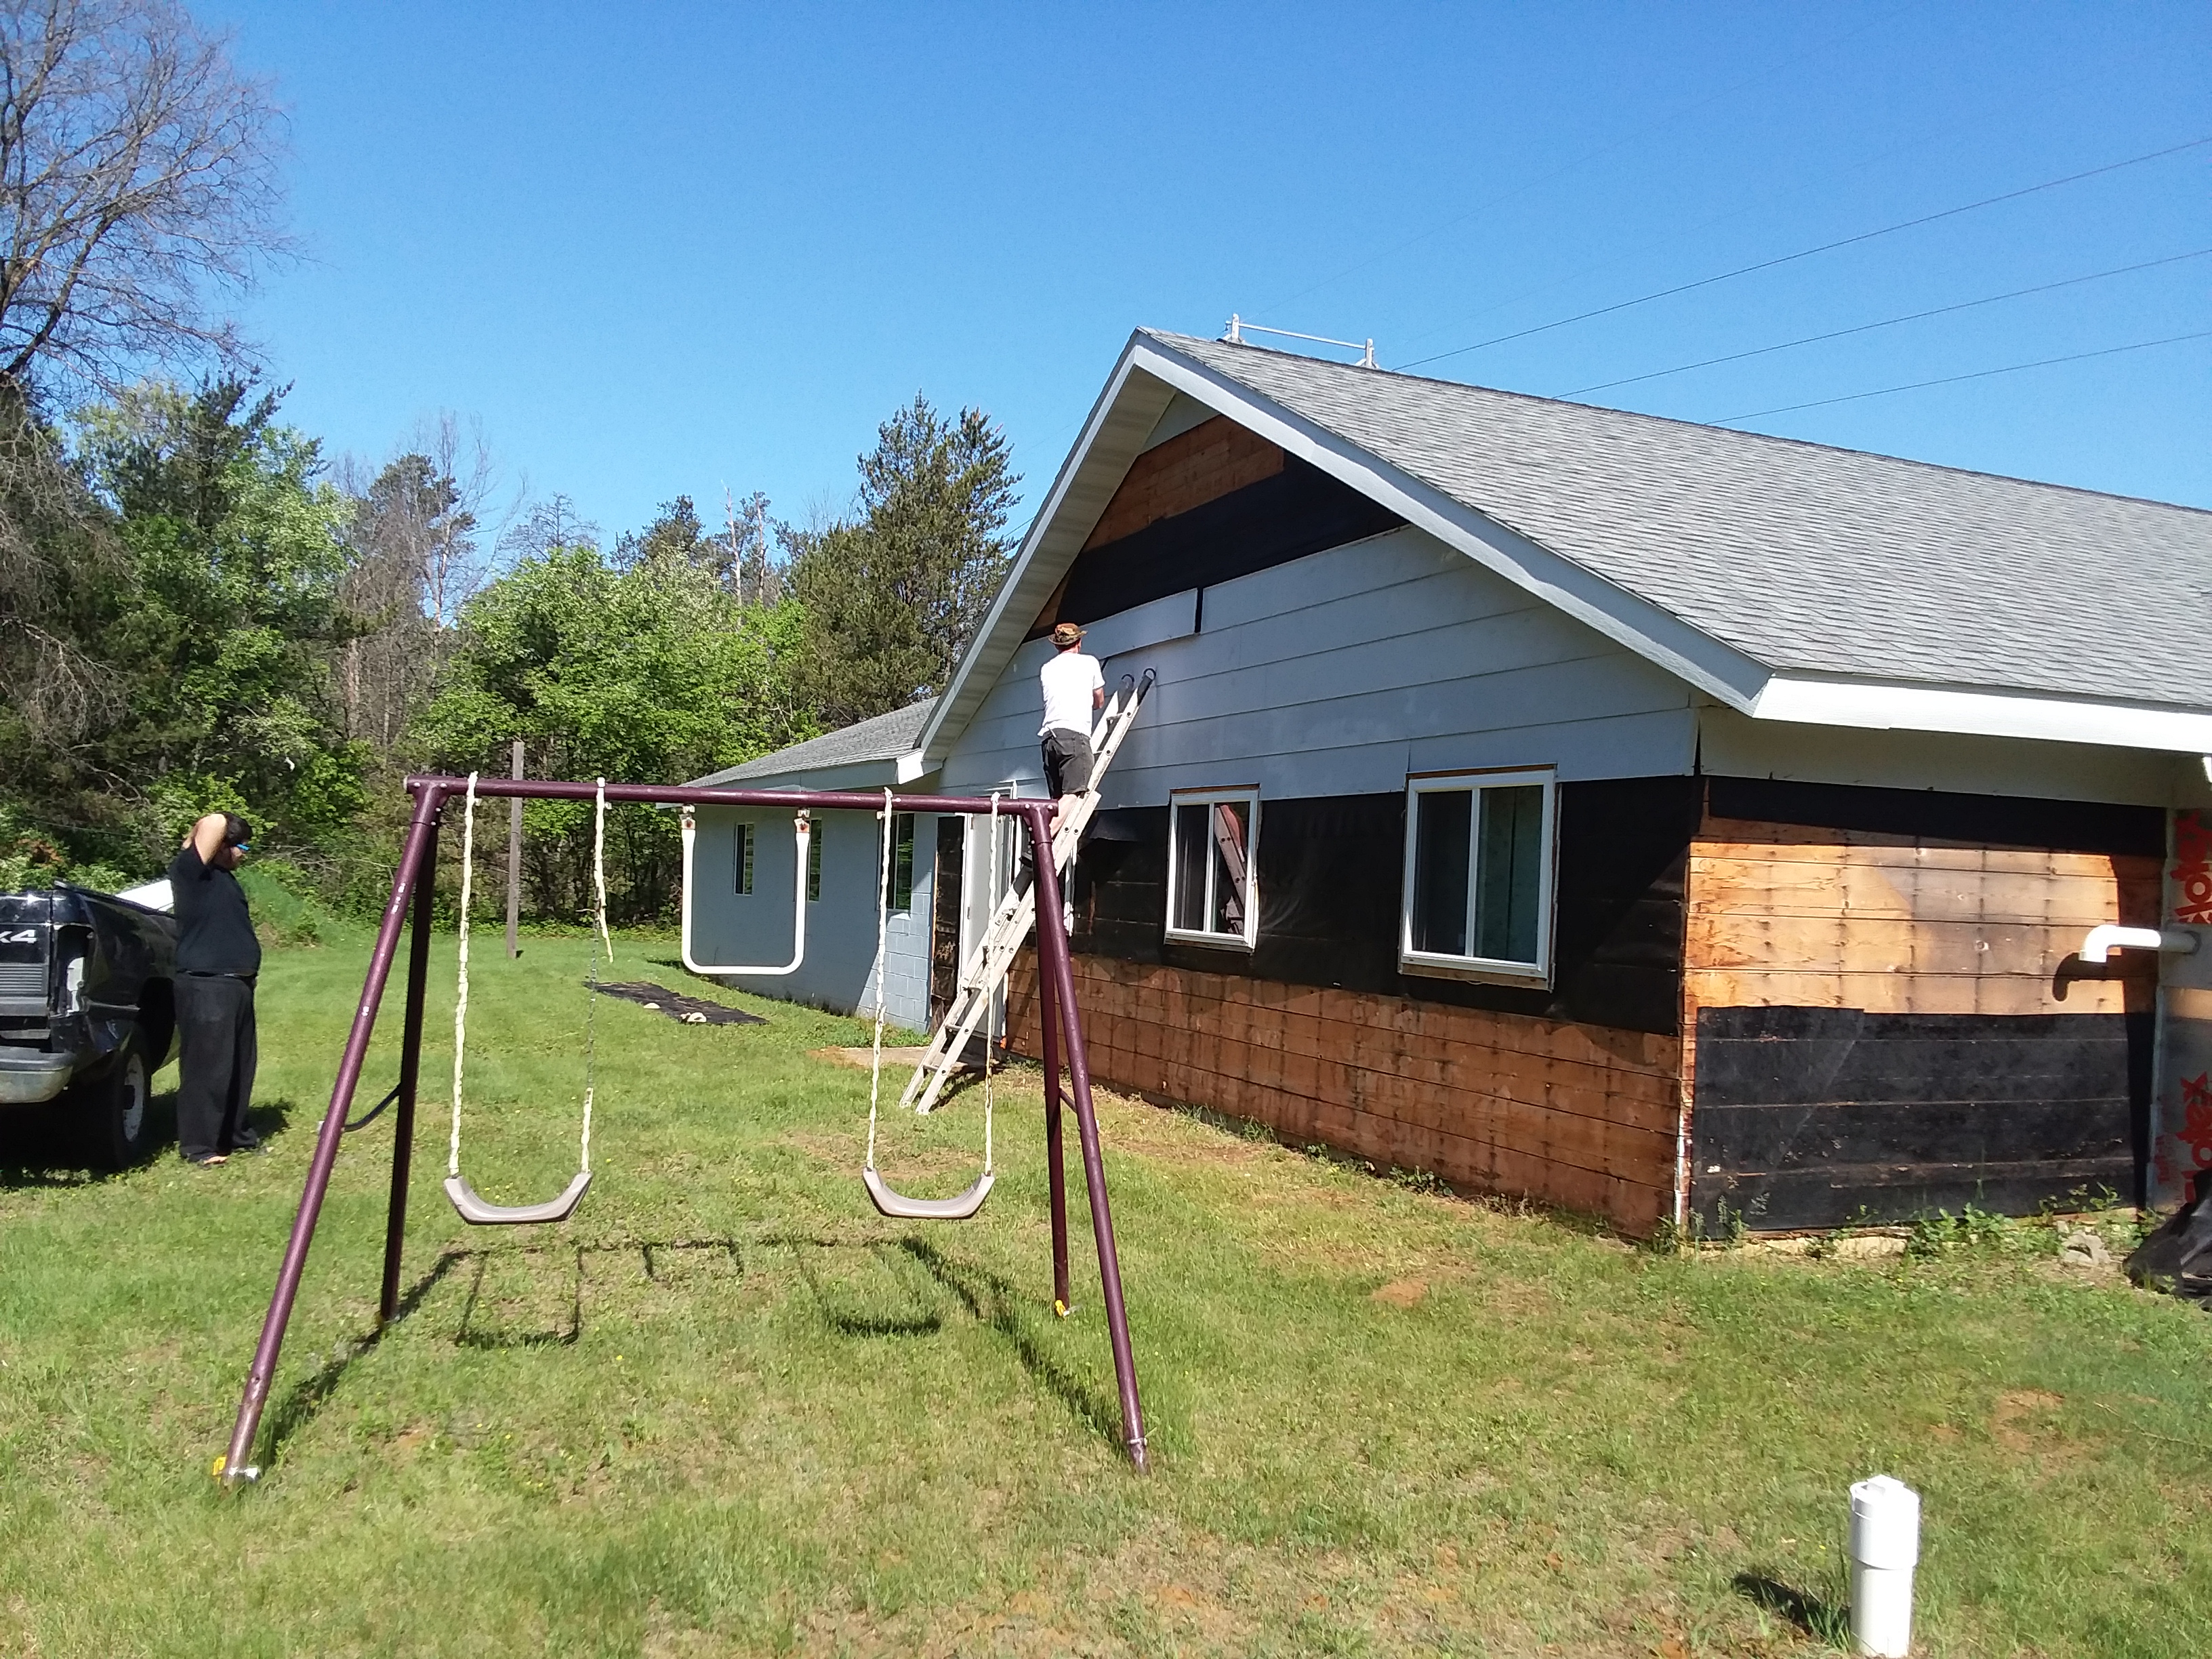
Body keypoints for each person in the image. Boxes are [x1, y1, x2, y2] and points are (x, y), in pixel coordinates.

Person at [167, 812, 261, 1166]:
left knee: (239, 1067)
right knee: (207, 1069)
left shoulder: (224, 880)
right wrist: (210, 831)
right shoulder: (192, 874)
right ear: (222, 845)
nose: (244, 855)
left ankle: (235, 1136)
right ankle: (200, 1147)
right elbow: (214, 822)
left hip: (236, 984)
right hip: (206, 984)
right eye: (242, 847)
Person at [1039, 619, 1105, 837]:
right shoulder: (1089, 663)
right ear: (1078, 642)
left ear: (1057, 645)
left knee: (1058, 801)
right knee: (1074, 795)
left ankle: (1046, 840)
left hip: (1049, 740)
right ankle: (1041, 839)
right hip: (1073, 737)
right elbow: (1099, 701)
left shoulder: (1047, 668)